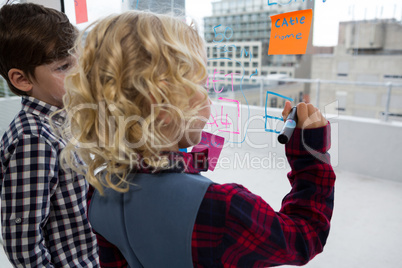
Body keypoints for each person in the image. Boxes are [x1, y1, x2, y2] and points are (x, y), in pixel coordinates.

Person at [61, 10, 336, 268]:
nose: (209, 97)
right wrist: (310, 152)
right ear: (162, 104)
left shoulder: (100, 190)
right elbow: (305, 235)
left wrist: (203, 148)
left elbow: (159, 172)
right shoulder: (223, 207)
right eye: (201, 86)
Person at [0, 2, 99, 267]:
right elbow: (23, 241)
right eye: (65, 67)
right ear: (22, 80)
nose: (79, 74)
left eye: (80, 62)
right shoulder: (34, 140)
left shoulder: (62, 120)